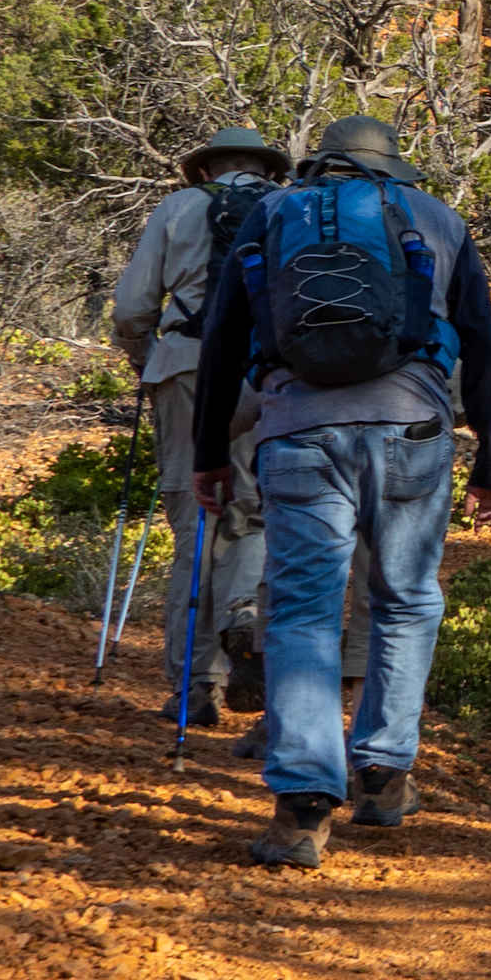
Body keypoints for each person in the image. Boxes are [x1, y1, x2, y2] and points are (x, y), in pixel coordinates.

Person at [190, 114, 491, 870]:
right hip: (413, 431)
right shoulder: (437, 219)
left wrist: (209, 453)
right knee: (404, 596)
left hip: (297, 430)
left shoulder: (271, 215)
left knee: (303, 608)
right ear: (391, 170)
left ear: (320, 166)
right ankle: (383, 773)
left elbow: (223, 342)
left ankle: (302, 809)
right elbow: (485, 346)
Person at [107, 127, 289, 721]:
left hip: (185, 367)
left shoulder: (178, 207)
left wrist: (147, 361)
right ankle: (244, 615)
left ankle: (196, 686)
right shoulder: (287, 208)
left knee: (196, 517)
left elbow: (134, 307)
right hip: (264, 377)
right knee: (252, 509)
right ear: (265, 169)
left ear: (205, 170)